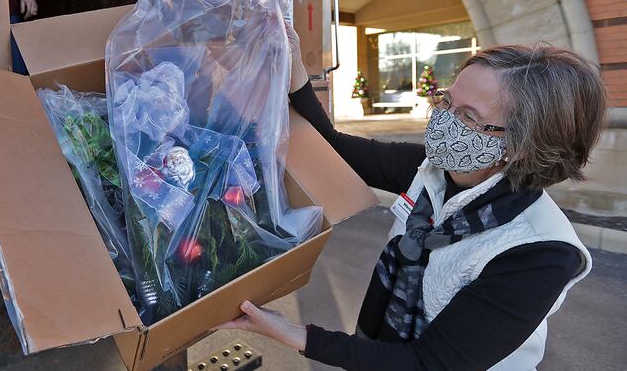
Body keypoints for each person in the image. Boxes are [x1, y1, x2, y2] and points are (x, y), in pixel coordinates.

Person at [217, 26, 607, 370]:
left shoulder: (540, 251)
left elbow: (428, 363)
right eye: (446, 102)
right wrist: (295, 68)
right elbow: (332, 149)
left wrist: (290, 333)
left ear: (521, 145)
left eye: (468, 117)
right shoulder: (431, 169)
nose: (443, 120)